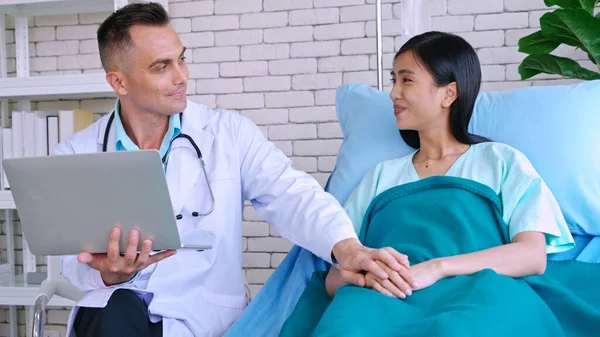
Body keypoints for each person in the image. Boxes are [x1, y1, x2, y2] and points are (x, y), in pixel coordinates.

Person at [53, 3, 408, 337]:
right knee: (114, 311)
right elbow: (72, 261)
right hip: (112, 313)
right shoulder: (75, 153)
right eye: (162, 67)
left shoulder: (228, 134)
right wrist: (108, 275)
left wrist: (346, 247)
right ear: (119, 82)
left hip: (197, 312)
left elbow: (291, 194)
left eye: (182, 60)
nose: (181, 77)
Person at [277, 31, 579, 336]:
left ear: (448, 93)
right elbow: (335, 276)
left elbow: (532, 256)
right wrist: (371, 279)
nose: (393, 93)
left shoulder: (500, 161)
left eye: (406, 80)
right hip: (382, 297)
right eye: (394, 80)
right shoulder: (380, 177)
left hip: (479, 292)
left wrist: (436, 268)